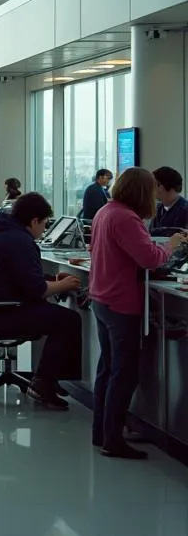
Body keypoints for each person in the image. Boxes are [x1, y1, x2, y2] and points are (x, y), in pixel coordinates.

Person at [89, 167, 187, 458]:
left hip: (102, 299)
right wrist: (170, 247)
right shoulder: (126, 218)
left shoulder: (106, 211)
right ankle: (113, 440)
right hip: (121, 303)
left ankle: (102, 431)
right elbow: (148, 257)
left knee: (107, 369)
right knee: (124, 374)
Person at [0, 192, 84, 410]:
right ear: (34, 221)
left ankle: (47, 378)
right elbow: (36, 290)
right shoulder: (19, 240)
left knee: (58, 316)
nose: (44, 230)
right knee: (68, 320)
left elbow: (18, 277)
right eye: (44, 224)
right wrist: (63, 286)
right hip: (2, 313)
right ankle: (45, 383)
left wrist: (52, 281)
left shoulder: (1, 233)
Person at [150, 166, 188, 236]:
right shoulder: (158, 208)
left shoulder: (185, 210)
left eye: (155, 184)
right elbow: (150, 233)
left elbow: (183, 235)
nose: (152, 188)